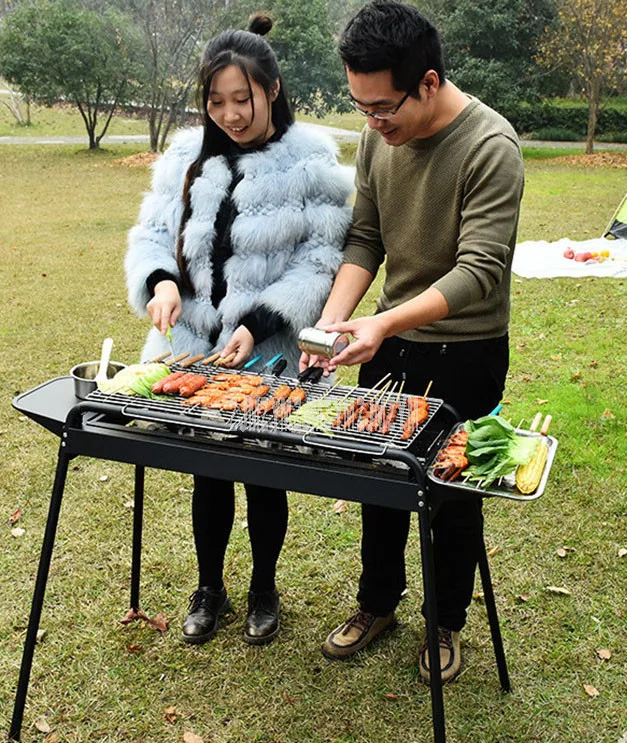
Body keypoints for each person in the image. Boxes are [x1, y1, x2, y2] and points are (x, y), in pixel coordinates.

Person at [301, 0, 524, 683]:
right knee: (380, 479)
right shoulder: (379, 139)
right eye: (360, 107)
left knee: (450, 491)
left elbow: (479, 272)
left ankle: (446, 619)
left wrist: (386, 321)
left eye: (382, 106)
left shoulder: (491, 147)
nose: (372, 122)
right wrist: (334, 322)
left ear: (428, 82)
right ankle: (377, 602)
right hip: (389, 339)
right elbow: (365, 237)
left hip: (466, 346)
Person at [124, 14, 352, 647]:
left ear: (271, 88)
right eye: (216, 101)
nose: (230, 113)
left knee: (265, 473)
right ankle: (210, 586)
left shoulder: (311, 164)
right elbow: (149, 235)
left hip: (268, 353)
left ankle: (263, 586)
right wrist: (161, 281)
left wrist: (259, 323)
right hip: (195, 352)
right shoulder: (183, 157)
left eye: (241, 99)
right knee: (208, 473)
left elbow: (321, 263)